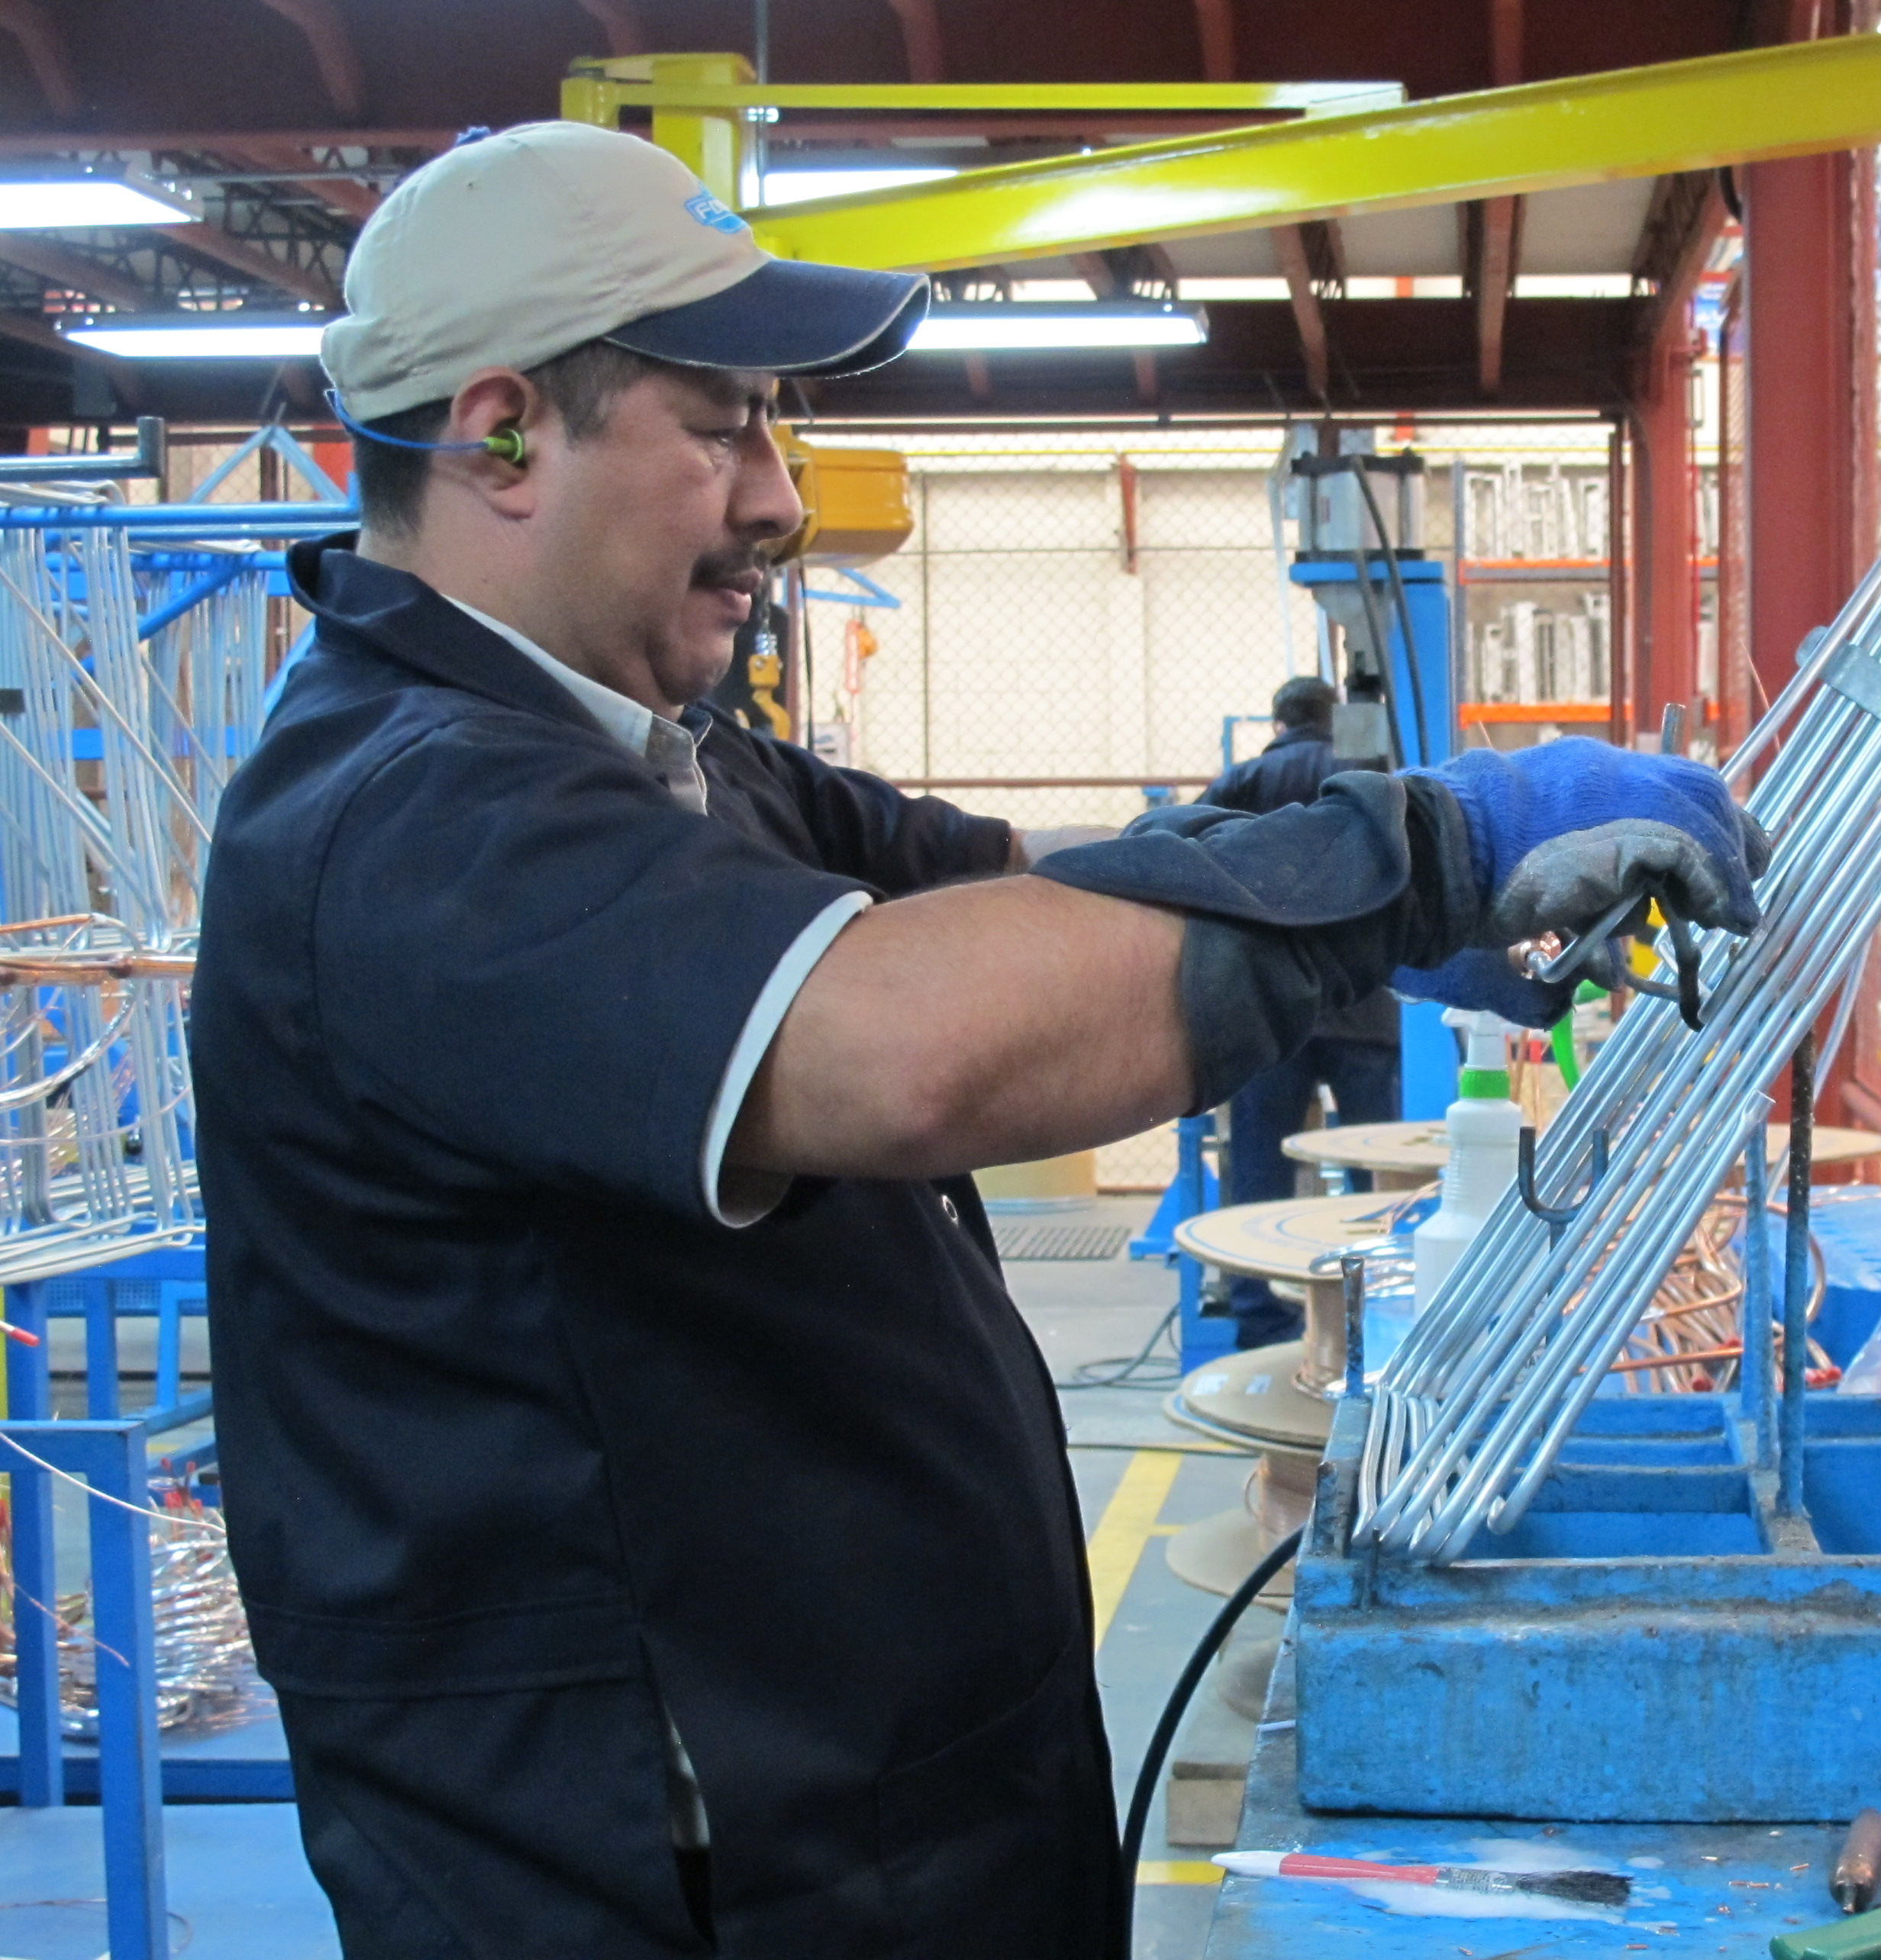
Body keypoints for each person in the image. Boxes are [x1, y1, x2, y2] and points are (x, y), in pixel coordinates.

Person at [192, 120, 1768, 1960]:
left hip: (870, 1818)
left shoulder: (665, 768)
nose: (779, 498)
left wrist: (1373, 872)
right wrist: (1426, 856)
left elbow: (1023, 895)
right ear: (504, 429)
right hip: (676, 1878)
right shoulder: (407, 825)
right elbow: (907, 1041)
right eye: (724, 424)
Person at [1200, 677, 1401, 1348]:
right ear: (1333, 716)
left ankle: (1261, 1319)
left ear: (1279, 723)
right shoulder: (1366, 772)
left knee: (1261, 1169)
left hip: (1271, 1009)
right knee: (1382, 1171)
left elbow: (1191, 858)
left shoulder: (1244, 779)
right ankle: (1378, 1313)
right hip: (1365, 1004)